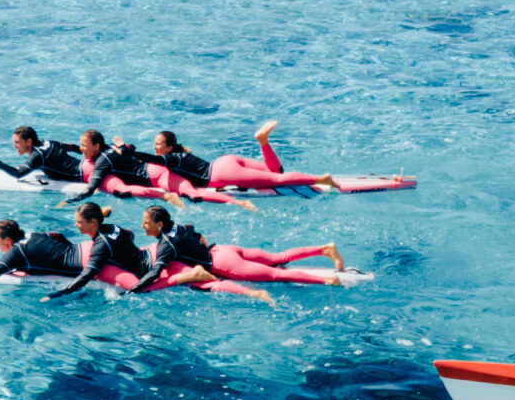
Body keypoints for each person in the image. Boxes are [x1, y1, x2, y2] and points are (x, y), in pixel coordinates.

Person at [50, 204, 272, 303]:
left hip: (149, 266)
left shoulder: (100, 244)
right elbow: (129, 235)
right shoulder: (113, 228)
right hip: (150, 253)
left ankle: (253, 293)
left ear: (93, 222)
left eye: (79, 222)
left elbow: (88, 275)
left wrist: (57, 294)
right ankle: (265, 278)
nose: (76, 226)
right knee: (209, 281)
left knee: (201, 284)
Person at [137, 206, 356, 289]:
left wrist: (134, 289)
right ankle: (325, 249)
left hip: (222, 263)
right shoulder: (180, 226)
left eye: (146, 223)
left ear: (159, 224)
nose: (143, 227)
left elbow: (156, 271)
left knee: (275, 274)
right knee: (276, 257)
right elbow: (199, 236)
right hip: (223, 250)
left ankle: (327, 279)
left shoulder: (166, 244)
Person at [71, 131, 253, 208]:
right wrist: (123, 146)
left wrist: (72, 200)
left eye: (83, 145)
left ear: (96, 146)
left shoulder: (102, 160)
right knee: (194, 193)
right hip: (157, 170)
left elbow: (92, 186)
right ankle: (239, 203)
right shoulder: (111, 147)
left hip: (155, 178)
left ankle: (240, 203)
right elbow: (131, 148)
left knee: (193, 195)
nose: (81, 149)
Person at [185, 120, 343, 194]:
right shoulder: (179, 155)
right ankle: (263, 141)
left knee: (278, 181)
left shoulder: (166, 168)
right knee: (276, 173)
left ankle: (321, 179)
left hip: (221, 175)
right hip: (224, 161)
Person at [0, 218, 86, 293]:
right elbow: (58, 236)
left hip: (82, 268)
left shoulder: (17, 253)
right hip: (83, 250)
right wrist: (69, 250)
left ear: (8, 241)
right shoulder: (34, 235)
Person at [0, 126, 84, 184]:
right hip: (85, 165)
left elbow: (18, 174)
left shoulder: (37, 156)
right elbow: (74, 147)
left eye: (17, 142)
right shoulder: (49, 142)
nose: (14, 145)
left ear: (28, 142)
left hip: (82, 176)